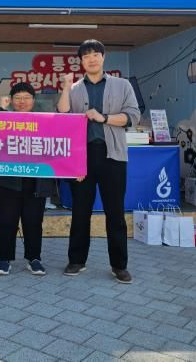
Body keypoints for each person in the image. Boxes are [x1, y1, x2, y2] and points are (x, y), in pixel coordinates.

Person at [57, 39, 140, 284]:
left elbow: (133, 116)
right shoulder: (75, 88)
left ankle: (119, 265)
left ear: (104, 57)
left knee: (115, 212)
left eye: (95, 54)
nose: (91, 59)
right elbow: (63, 115)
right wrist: (65, 88)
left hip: (112, 155)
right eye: (86, 56)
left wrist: (104, 118)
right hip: (82, 157)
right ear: (81, 61)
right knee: (80, 211)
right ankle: (76, 260)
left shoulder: (122, 85)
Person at [0, 82, 54, 276]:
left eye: (26, 98)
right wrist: (2, 111)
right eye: (17, 98)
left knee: (33, 221)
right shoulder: (3, 118)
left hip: (36, 181)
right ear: (11, 100)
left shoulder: (44, 121)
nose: (22, 101)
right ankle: (4, 259)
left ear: (33, 100)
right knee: (7, 221)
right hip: (7, 180)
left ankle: (34, 259)